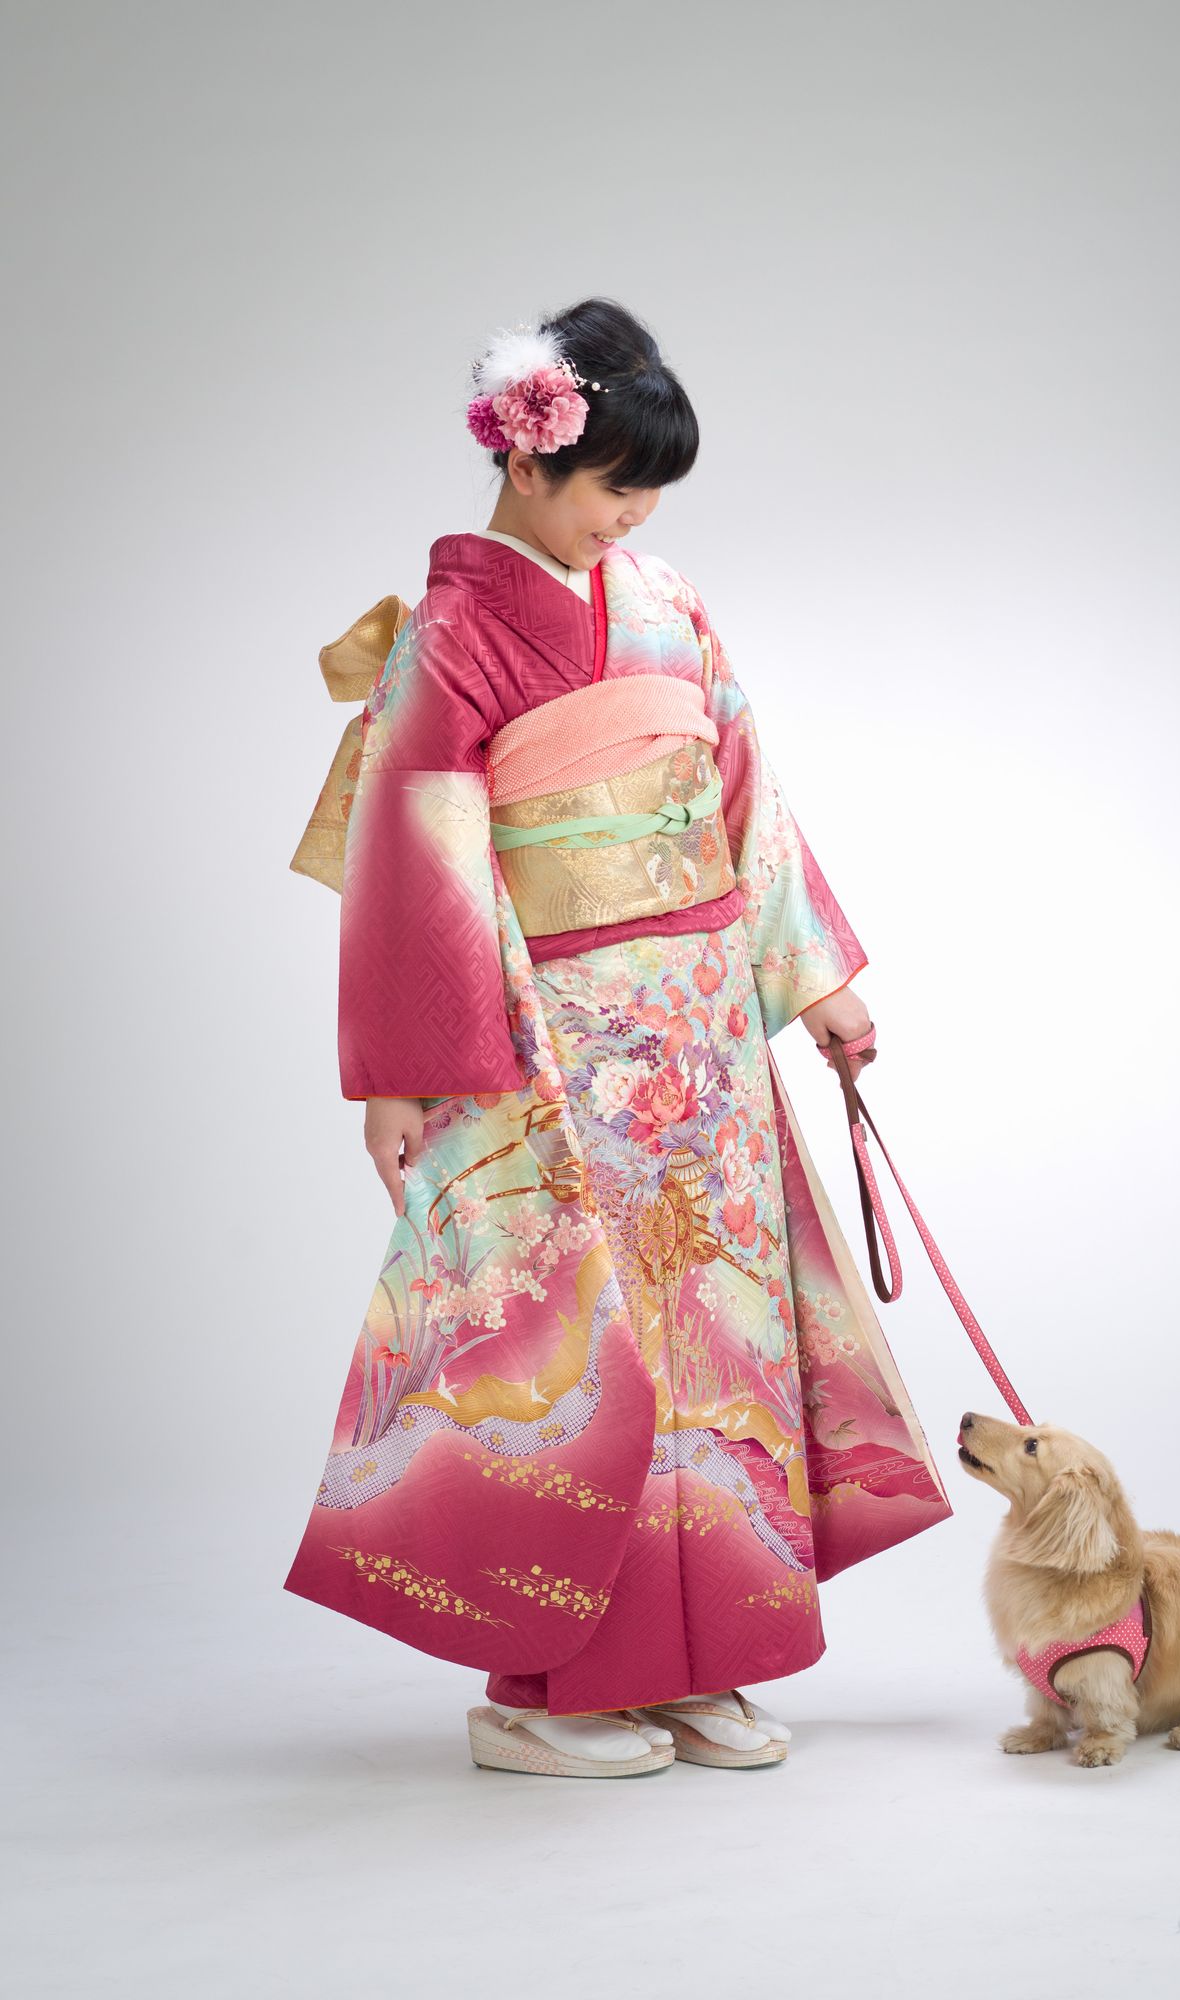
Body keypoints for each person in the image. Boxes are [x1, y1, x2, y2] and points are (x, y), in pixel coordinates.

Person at [283, 296, 952, 1777]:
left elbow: (743, 793)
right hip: (554, 1046)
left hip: (703, 1039)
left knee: (720, 1336)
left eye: (650, 492)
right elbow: (417, 872)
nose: (632, 517)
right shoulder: (453, 634)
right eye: (613, 486)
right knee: (580, 1349)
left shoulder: (665, 601)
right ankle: (547, 1692)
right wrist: (404, 1077)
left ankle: (707, 1662)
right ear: (525, 463)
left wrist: (816, 983)